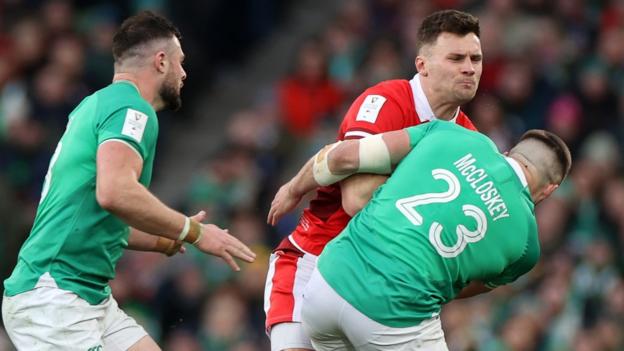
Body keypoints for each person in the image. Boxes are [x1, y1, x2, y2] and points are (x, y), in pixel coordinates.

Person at [1, 11, 255, 351]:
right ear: (161, 61)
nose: (184, 73)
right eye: (180, 62)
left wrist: (163, 239)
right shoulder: (132, 109)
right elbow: (115, 192)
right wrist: (193, 231)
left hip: (86, 296)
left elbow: (99, 214)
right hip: (56, 296)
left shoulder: (96, 105)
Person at [264, 9, 482, 351]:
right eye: (456, 58)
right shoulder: (385, 104)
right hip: (316, 260)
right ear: (422, 65)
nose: (469, 67)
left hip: (388, 290)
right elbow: (357, 201)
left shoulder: (471, 142)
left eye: (475, 58)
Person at [267, 120, 572, 350]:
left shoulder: (451, 134)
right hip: (394, 316)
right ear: (549, 189)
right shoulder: (527, 245)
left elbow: (344, 157)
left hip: (326, 284)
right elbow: (461, 290)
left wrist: (294, 188)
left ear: (508, 152)